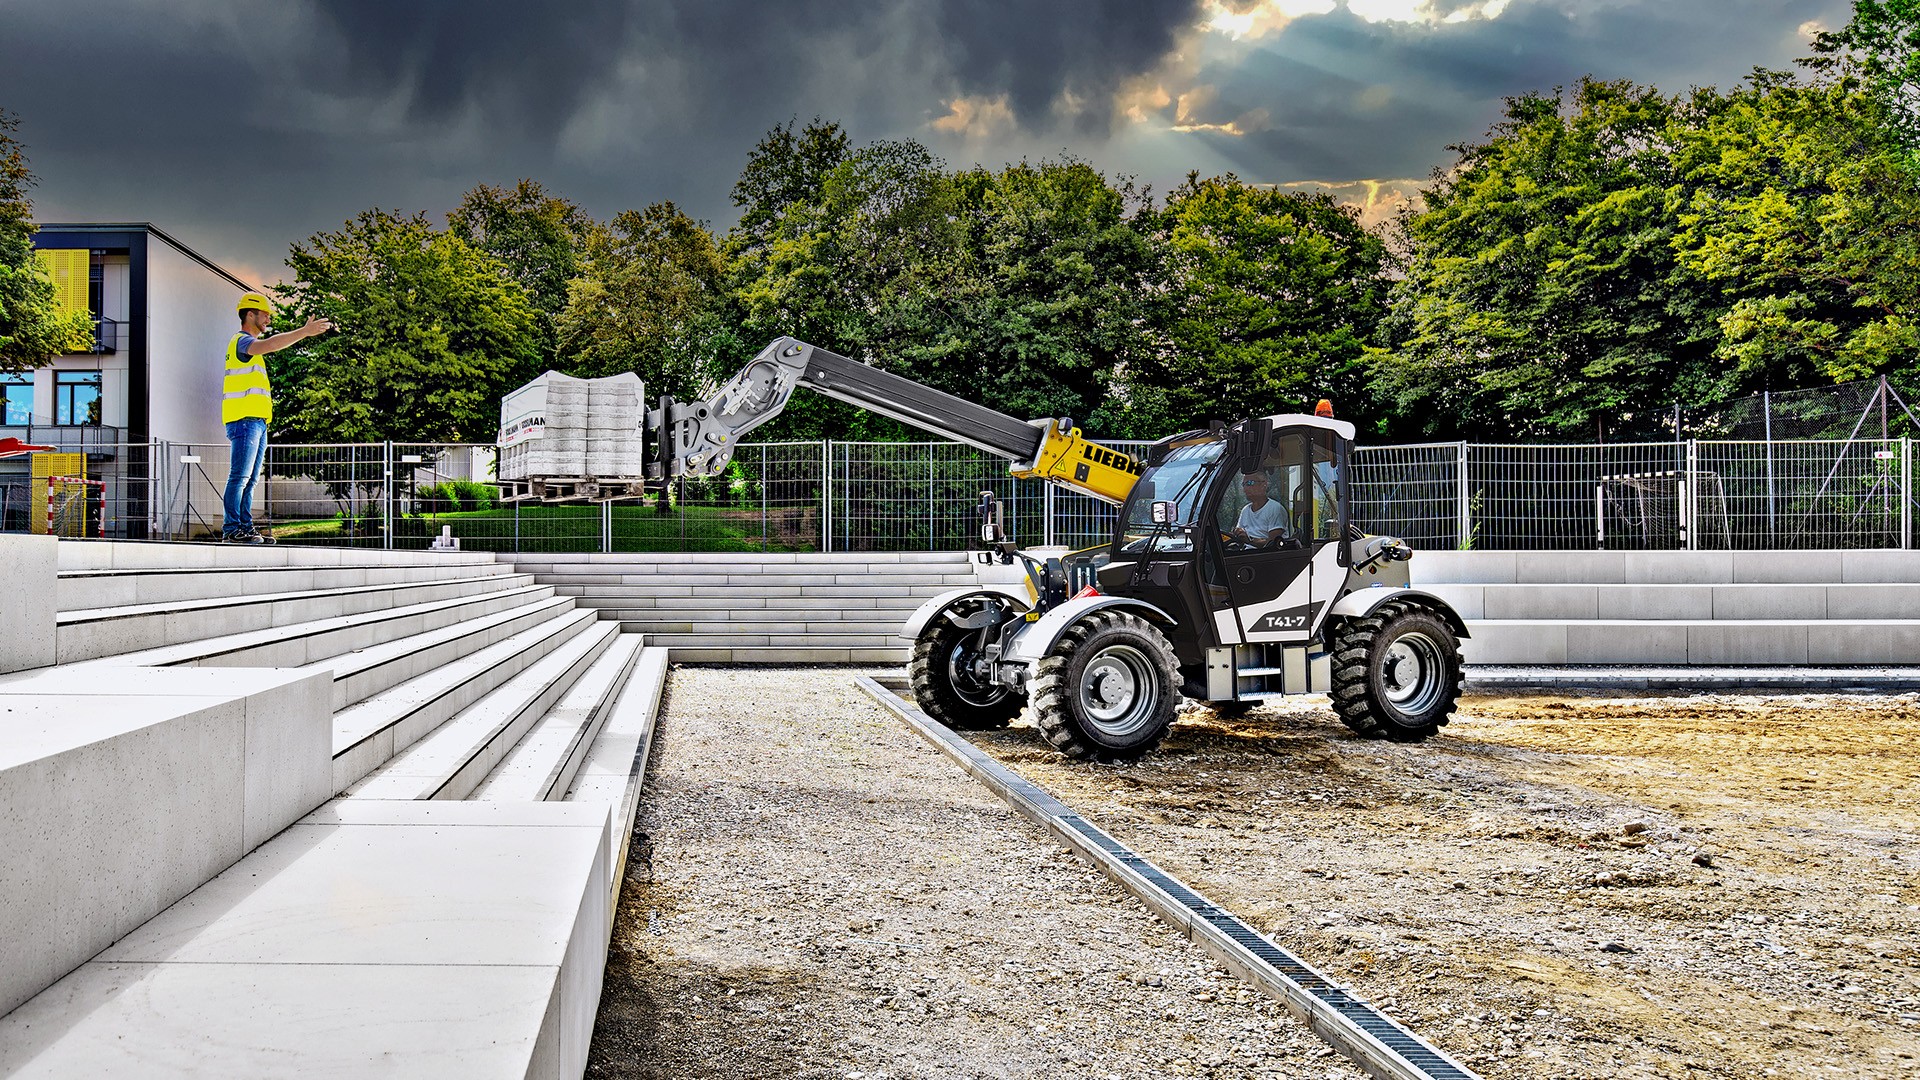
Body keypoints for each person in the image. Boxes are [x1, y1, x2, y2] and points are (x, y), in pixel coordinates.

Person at [222, 291, 330, 544]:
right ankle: (231, 529)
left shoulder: (250, 349)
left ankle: (244, 528)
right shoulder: (241, 342)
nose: (269, 319)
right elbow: (270, 344)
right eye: (265, 314)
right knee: (239, 477)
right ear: (250, 314)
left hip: (257, 422)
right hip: (244, 420)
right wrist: (303, 332)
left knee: (250, 479)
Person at [1229, 469, 1291, 548]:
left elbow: (1272, 544)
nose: (1245, 489)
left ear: (1263, 485)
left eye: (1249, 483)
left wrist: (1249, 540)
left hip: (1265, 557)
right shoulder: (1245, 510)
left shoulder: (1275, 509)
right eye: (1243, 484)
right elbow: (1240, 534)